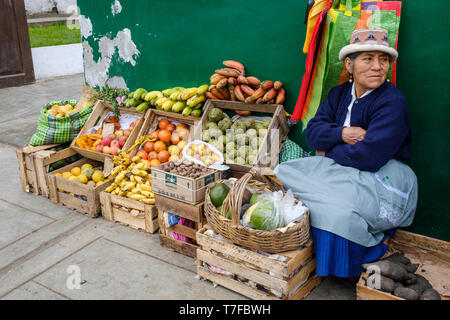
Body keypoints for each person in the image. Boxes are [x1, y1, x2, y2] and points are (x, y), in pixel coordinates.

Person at [274, 29, 417, 278]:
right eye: (368, 58)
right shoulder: (338, 94)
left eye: (383, 60)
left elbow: (368, 156)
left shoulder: (393, 101)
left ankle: (369, 246)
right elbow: (314, 134)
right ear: (349, 65)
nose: (377, 67)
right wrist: (343, 134)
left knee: (337, 212)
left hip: (382, 174)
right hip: (342, 166)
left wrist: (328, 149)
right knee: (283, 171)